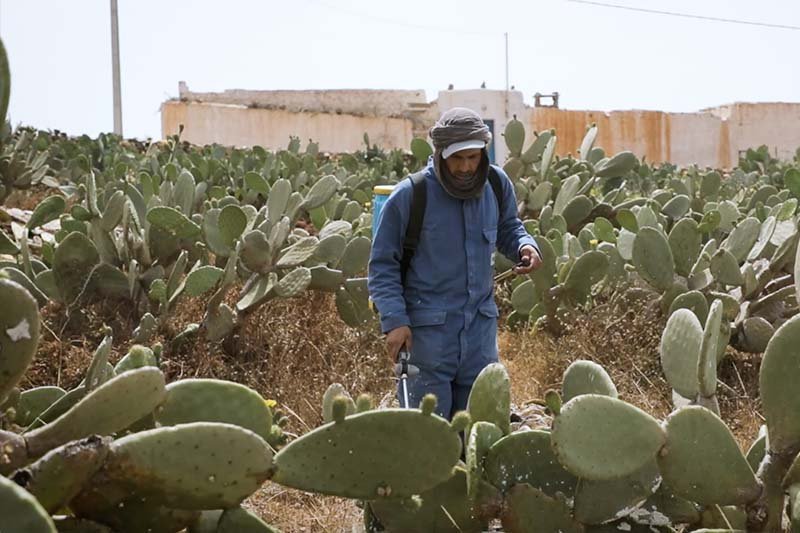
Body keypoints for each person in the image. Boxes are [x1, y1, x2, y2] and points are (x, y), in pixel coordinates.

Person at [367, 107, 542, 419]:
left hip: (480, 337)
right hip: (426, 341)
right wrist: (394, 321)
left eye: (473, 158)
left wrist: (524, 245)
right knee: (427, 442)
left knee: (478, 434)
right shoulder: (411, 195)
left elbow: (508, 227)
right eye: (457, 159)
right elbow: (383, 265)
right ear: (439, 153)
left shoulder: (496, 185)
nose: (465, 167)